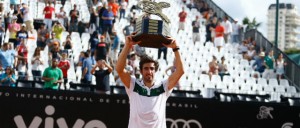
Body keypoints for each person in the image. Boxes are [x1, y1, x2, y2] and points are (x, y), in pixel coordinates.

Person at [116, 33, 184, 128]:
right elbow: (119, 69)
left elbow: (180, 71)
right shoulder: (133, 84)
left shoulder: (163, 86)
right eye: (146, 68)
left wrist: (175, 48)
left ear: (155, 70)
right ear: (141, 71)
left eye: (152, 69)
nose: (149, 71)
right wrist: (127, 46)